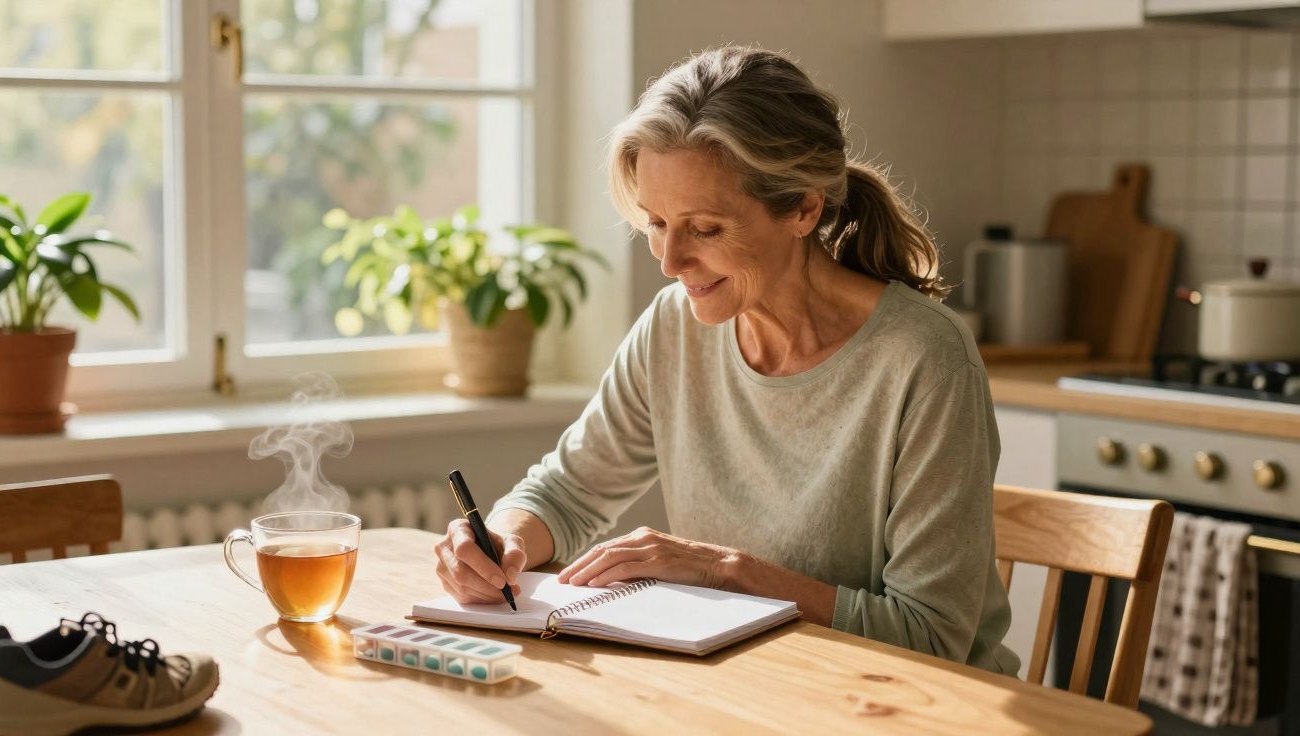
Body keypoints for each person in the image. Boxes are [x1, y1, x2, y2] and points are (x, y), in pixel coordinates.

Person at [434, 45, 1020, 675]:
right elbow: (569, 490)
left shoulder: (924, 359)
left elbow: (931, 638)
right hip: (754, 692)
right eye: (657, 222)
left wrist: (724, 571)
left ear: (803, 208)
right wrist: (505, 538)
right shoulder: (673, 326)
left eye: (705, 229)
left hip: (918, 708)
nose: (669, 261)